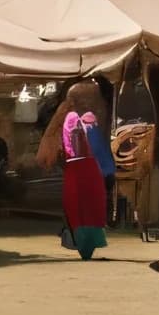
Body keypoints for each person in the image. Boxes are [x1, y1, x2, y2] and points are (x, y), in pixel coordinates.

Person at [57, 82, 110, 260]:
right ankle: (85, 246)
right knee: (89, 207)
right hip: (88, 169)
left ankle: (82, 245)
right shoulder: (86, 118)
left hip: (76, 168)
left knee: (79, 207)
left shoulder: (66, 118)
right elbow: (96, 147)